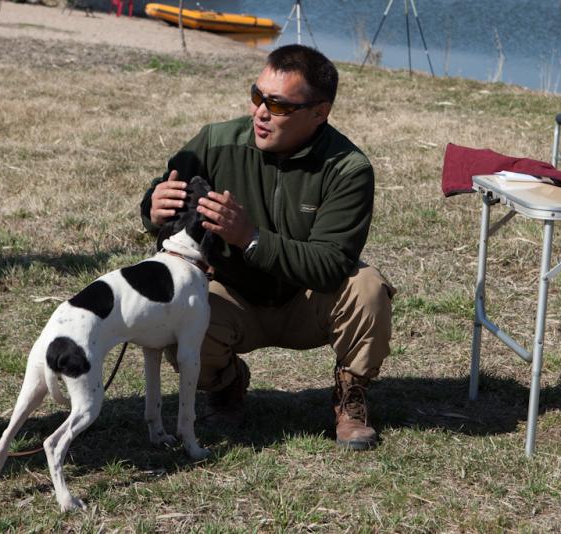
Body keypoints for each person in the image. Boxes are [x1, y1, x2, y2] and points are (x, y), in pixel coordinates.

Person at [140, 44, 395, 450]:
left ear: (320, 112)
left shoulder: (348, 168)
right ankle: (224, 384)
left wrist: (251, 237)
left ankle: (351, 395)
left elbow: (330, 265)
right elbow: (164, 196)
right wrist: (152, 207)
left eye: (278, 105)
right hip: (231, 295)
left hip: (306, 301)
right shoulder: (215, 141)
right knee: (176, 307)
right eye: (257, 96)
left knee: (367, 287)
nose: (260, 112)